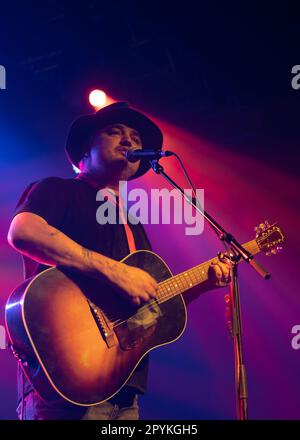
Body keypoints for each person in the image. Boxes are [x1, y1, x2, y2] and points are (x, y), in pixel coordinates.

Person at [7, 102, 231, 420]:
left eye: (136, 138)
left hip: (124, 392)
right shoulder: (58, 190)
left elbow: (148, 305)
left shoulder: (132, 222)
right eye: (115, 132)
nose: (128, 141)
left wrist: (203, 283)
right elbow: (23, 232)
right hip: (67, 383)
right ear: (85, 150)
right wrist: (116, 272)